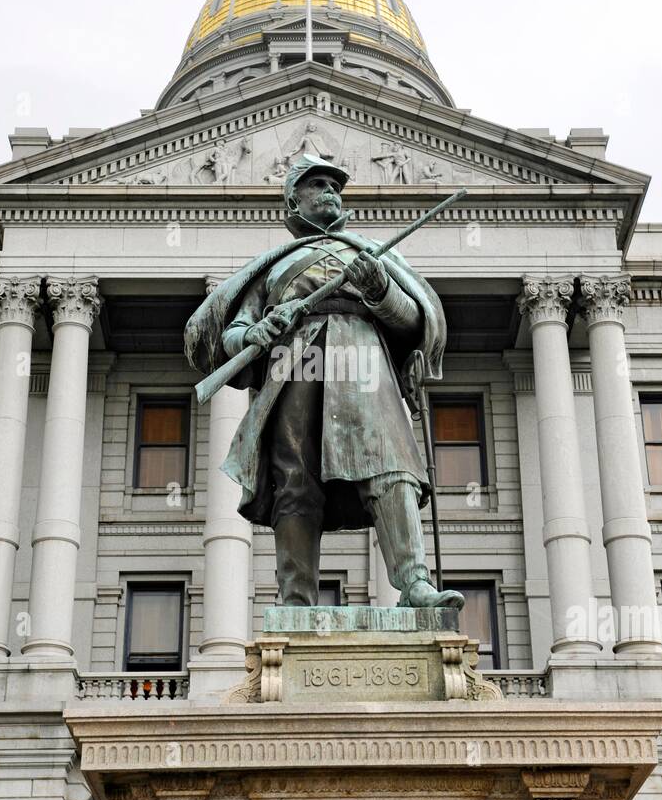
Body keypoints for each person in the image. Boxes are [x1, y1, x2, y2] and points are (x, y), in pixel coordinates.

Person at [184, 154, 463, 610]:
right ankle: (297, 601)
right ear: (293, 200)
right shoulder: (275, 267)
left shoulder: (372, 254)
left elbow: (415, 323)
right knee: (294, 478)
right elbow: (232, 331)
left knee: (392, 467)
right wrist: (257, 332)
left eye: (336, 186)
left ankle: (414, 585)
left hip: (363, 361)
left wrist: (380, 290)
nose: (331, 191)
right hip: (295, 367)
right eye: (318, 184)